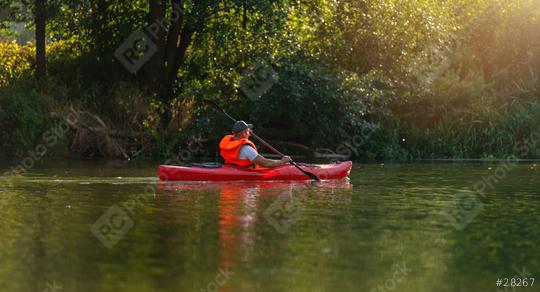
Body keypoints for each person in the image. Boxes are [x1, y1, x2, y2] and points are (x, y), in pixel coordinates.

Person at [219, 121, 292, 168]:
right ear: (243, 133)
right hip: (245, 175)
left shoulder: (227, 143)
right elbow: (266, 163)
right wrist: (282, 161)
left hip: (231, 169)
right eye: (248, 131)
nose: (250, 132)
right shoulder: (246, 148)